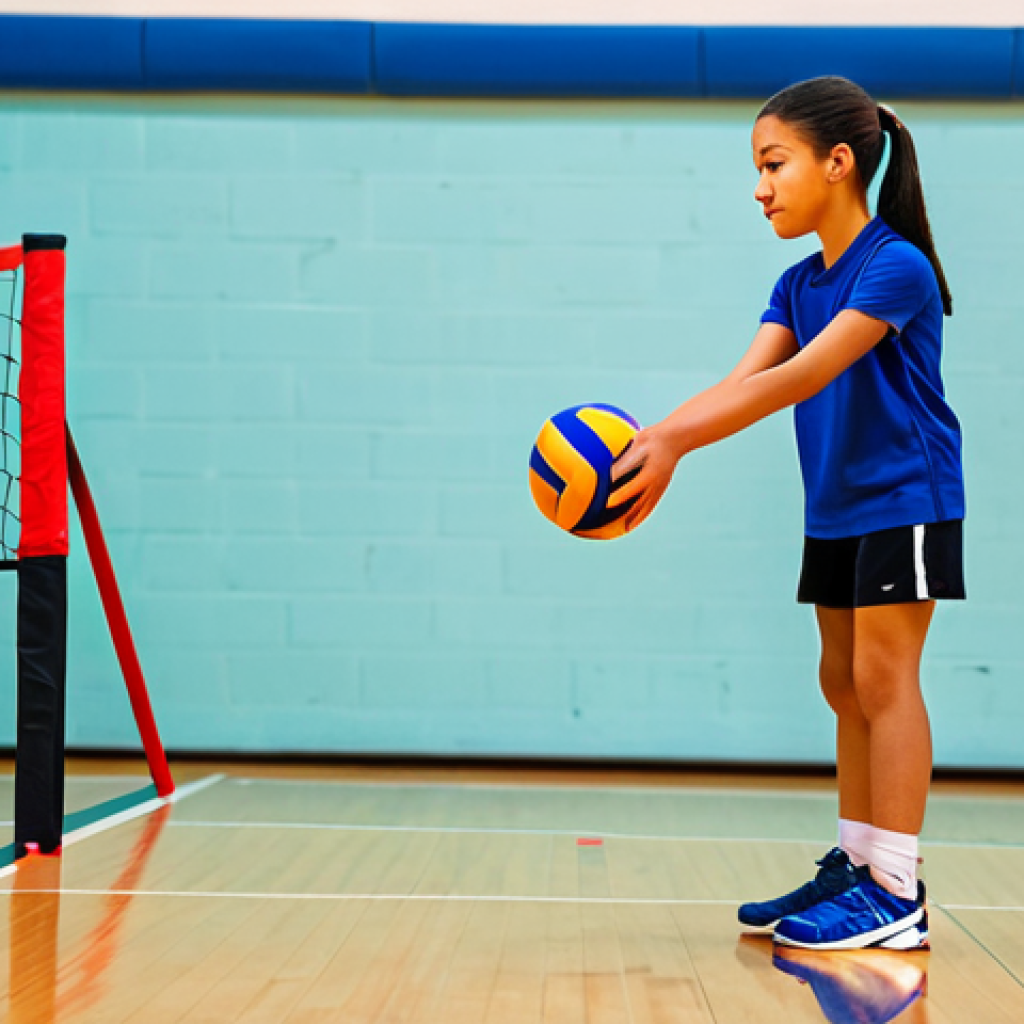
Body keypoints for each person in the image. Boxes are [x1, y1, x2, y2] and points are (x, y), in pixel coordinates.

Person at [610, 76, 965, 951]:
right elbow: (742, 380)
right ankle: (856, 863)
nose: (759, 186)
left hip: (904, 499)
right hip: (837, 505)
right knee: (842, 684)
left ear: (838, 163)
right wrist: (657, 438)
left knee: (886, 684)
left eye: (774, 164)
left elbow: (797, 380)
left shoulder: (894, 265)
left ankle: (898, 892)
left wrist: (678, 442)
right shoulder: (796, 282)